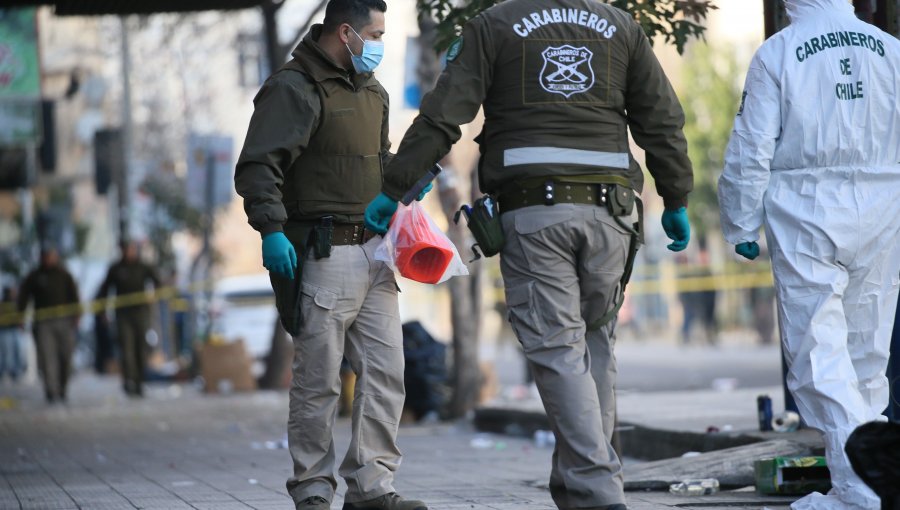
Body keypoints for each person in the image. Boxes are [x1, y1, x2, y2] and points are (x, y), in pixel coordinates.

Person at [365, 1, 693, 508]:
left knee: (560, 352)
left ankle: (598, 492)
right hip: (613, 214)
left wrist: (393, 188)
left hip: (535, 213)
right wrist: (676, 198)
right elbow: (662, 119)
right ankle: (577, 485)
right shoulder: (620, 26)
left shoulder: (494, 23)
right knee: (595, 348)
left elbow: (444, 114)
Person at [234, 1, 428, 509]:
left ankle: (371, 487)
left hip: (376, 254)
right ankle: (314, 488)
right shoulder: (292, 88)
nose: (381, 44)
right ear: (346, 33)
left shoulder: (374, 93)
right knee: (318, 381)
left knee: (386, 375)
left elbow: (376, 160)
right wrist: (270, 230)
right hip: (323, 253)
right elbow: (259, 167)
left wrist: (404, 182)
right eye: (376, 33)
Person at [717, 1, 900, 508]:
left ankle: (863, 487)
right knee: (866, 355)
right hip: (885, 205)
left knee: (818, 354)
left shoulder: (778, 53)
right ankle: (868, 483)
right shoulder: (892, 51)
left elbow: (752, 145)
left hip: (807, 210)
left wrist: (740, 220)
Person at [96, 241, 161, 397]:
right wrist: (103, 312)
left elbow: (158, 283)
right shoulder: (116, 269)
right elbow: (105, 291)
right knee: (126, 348)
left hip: (141, 313)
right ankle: (128, 381)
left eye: (132, 249)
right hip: (123, 315)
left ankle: (139, 382)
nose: (129, 252)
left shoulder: (143, 266)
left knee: (140, 348)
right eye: (127, 249)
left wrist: (155, 296)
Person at [17, 248, 81, 403]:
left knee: (65, 356)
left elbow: (74, 296)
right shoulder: (35, 275)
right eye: (46, 256)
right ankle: (51, 390)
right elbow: (23, 296)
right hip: (43, 323)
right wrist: (20, 316)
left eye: (52, 256)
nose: (49, 259)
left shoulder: (64, 275)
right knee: (47, 357)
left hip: (64, 321)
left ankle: (63, 388)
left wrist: (77, 315)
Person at [0, 285, 26, 382]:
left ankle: (15, 372)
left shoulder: (15, 303)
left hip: (14, 330)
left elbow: (19, 316)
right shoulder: (3, 304)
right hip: (4, 330)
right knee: (5, 353)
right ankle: (4, 372)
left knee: (16, 351)